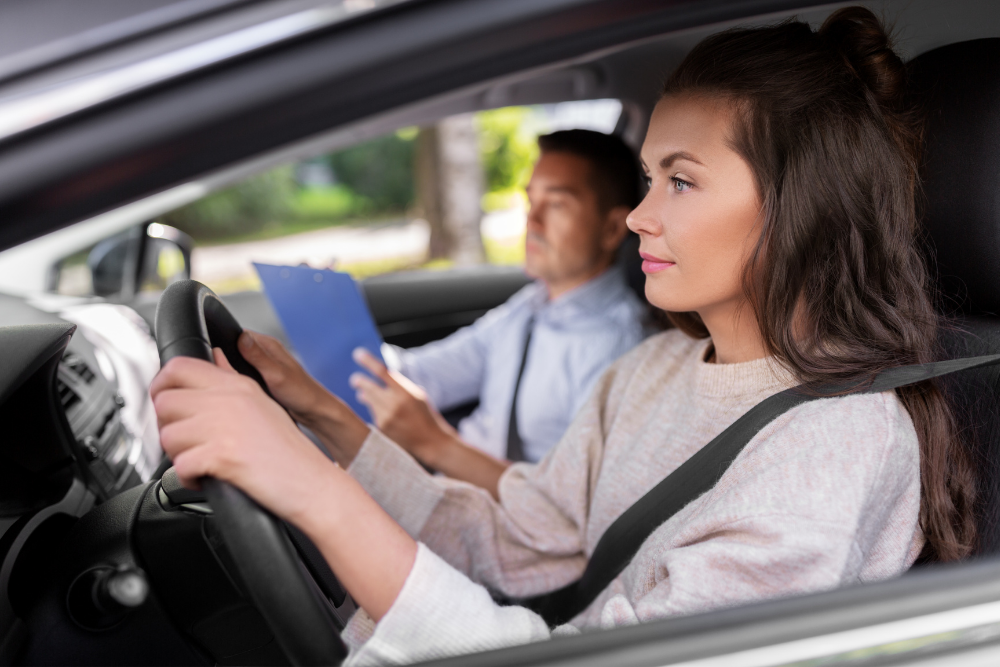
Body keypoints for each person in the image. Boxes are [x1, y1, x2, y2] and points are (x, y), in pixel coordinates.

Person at [151, 7, 976, 665]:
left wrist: (313, 492)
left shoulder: (836, 446)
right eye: (650, 177)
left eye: (682, 180)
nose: (642, 215)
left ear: (805, 204)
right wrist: (331, 427)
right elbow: (514, 543)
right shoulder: (654, 366)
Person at [352, 130, 647, 479]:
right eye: (530, 202)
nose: (532, 222)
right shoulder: (529, 307)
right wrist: (335, 324)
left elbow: (565, 508)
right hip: (446, 495)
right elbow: (423, 374)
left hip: (498, 523)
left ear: (613, 228)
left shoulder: (621, 349)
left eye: (556, 205)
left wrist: (435, 443)